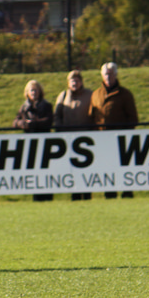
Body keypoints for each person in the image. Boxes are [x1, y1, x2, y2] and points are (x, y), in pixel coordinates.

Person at [90, 62, 138, 198]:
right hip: (103, 140)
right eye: (106, 74)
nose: (108, 76)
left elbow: (133, 117)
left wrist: (125, 134)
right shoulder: (96, 94)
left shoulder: (125, 94)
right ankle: (110, 193)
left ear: (116, 74)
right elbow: (92, 116)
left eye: (111, 74)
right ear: (102, 75)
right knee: (107, 167)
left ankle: (127, 192)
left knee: (123, 166)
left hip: (121, 139)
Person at [54, 69, 93, 200]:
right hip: (69, 138)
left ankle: (87, 194)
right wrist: (60, 130)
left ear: (81, 82)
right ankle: (75, 194)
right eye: (72, 81)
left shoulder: (89, 95)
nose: (74, 83)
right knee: (72, 168)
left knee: (86, 168)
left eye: (77, 80)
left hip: (86, 139)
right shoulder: (63, 96)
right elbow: (57, 115)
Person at [13, 80, 54, 201]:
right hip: (30, 144)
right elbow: (15, 122)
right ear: (27, 92)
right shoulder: (24, 107)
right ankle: (36, 197)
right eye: (31, 90)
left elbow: (49, 121)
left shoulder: (46, 105)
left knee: (46, 171)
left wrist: (35, 123)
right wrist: (24, 124)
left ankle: (48, 196)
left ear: (40, 92)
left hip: (44, 143)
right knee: (34, 171)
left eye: (36, 90)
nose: (34, 93)